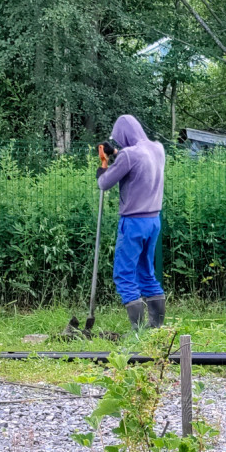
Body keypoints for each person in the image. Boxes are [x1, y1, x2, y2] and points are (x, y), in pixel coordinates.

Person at [96, 115, 166, 330]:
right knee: (146, 271)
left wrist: (103, 165)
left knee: (124, 273)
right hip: (153, 221)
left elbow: (104, 183)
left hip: (133, 222)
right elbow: (135, 161)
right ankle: (155, 327)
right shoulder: (157, 148)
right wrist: (116, 153)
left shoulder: (129, 154)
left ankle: (137, 331)